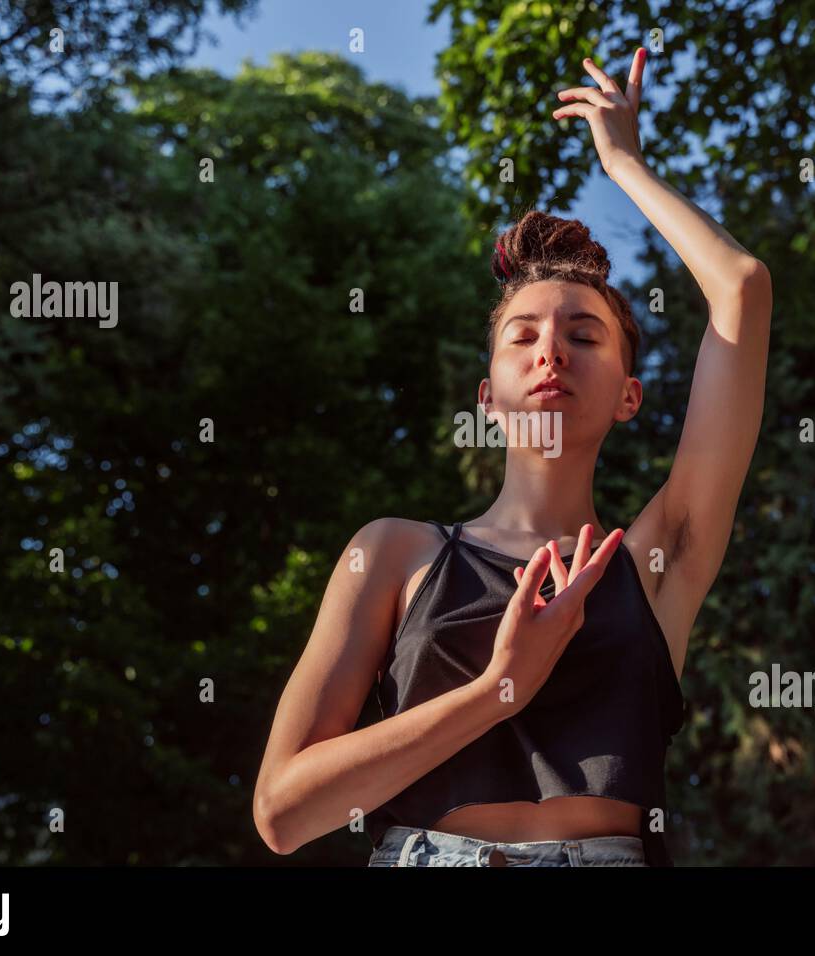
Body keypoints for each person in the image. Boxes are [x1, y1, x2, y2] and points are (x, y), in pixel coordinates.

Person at [253, 47, 772, 866]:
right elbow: (283, 813)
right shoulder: (392, 551)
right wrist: (499, 688)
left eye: (584, 334)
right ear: (488, 398)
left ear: (629, 396)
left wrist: (624, 162)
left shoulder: (657, 560)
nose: (551, 353)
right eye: (522, 336)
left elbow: (741, 288)